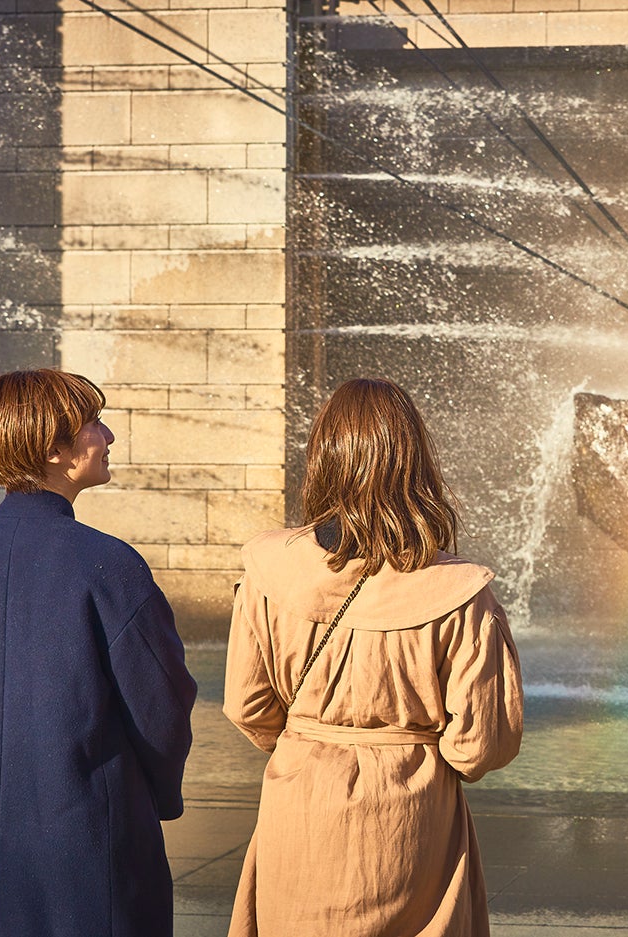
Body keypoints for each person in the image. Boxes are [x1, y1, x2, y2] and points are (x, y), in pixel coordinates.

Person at [223, 377, 523, 937]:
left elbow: (247, 706)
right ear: (414, 460)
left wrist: (312, 739)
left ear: (324, 455)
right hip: (407, 826)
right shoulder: (459, 591)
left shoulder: (268, 569)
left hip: (299, 806)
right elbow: (481, 746)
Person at [0, 369, 197, 937]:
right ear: (52, 449)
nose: (108, 436)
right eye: (94, 423)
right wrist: (158, 798)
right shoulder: (109, 564)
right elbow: (161, 708)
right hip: (88, 845)